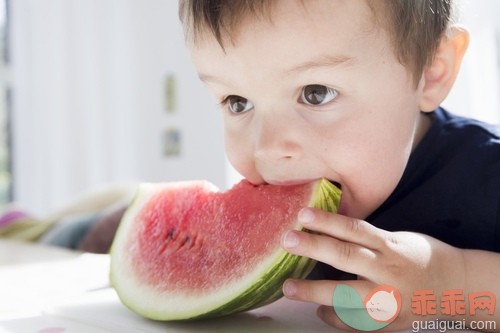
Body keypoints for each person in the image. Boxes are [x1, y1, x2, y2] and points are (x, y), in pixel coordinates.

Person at [178, 0, 500, 331]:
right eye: (238, 102)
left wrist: (450, 279)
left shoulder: (489, 175)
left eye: (315, 93)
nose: (267, 148)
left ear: (431, 72)